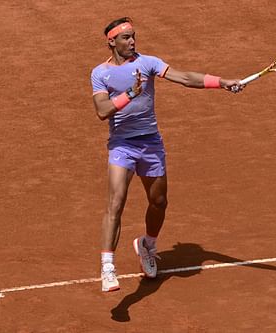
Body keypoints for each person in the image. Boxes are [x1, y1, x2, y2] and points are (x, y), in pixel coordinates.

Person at [90, 17, 244, 292]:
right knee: (116, 202)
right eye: (126, 38)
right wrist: (130, 93)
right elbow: (102, 111)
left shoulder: (148, 62)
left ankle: (147, 245)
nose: (132, 41)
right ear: (111, 41)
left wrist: (222, 82)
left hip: (150, 143)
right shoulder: (100, 73)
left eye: (134, 36)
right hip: (122, 145)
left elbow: (185, 77)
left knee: (159, 201)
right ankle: (107, 267)